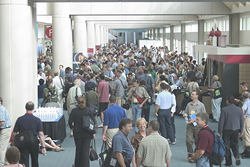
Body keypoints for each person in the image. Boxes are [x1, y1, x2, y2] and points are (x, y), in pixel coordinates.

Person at [13, 101, 46, 167]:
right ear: (33, 108)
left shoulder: (19, 119)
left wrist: (14, 145)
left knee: (23, 161)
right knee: (35, 160)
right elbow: (41, 134)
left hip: (22, 141)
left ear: (25, 107)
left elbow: (14, 134)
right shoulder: (37, 120)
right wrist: (43, 147)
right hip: (33, 141)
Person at [68, 96, 95, 167]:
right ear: (85, 102)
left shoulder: (74, 111)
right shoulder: (88, 111)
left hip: (77, 132)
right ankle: (85, 165)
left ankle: (78, 164)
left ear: (77, 103)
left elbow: (70, 122)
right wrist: (93, 133)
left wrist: (73, 128)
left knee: (78, 149)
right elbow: (92, 122)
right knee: (85, 150)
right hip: (87, 133)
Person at [218, 95, 243, 166]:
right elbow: (242, 121)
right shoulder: (239, 109)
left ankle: (229, 162)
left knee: (226, 146)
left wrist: (220, 131)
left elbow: (221, 121)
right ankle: (237, 155)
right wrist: (241, 130)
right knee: (235, 144)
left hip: (227, 130)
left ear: (227, 101)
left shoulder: (224, 109)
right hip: (236, 129)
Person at [183, 90, 206, 155]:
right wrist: (185, 114)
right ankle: (190, 153)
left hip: (198, 126)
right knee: (188, 141)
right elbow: (185, 112)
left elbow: (204, 116)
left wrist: (195, 119)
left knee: (198, 141)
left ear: (197, 96)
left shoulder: (201, 105)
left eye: (193, 94)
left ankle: (197, 154)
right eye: (191, 94)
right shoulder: (189, 105)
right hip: (190, 125)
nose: (191, 95)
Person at [0, 97, 12, 167]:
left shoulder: (1, 109)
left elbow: (1, 122)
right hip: (5, 129)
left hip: (5, 129)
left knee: (1, 148)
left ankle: (1, 164)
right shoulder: (2, 108)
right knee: (4, 147)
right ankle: (6, 162)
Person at [241, 91, 250, 155]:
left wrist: (242, 116)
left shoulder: (246, 102)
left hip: (247, 119)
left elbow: (242, 110)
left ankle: (247, 151)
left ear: (243, 96)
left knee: (246, 134)